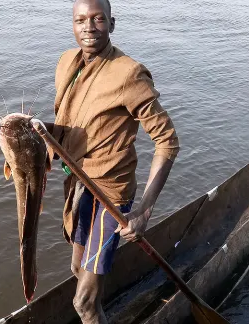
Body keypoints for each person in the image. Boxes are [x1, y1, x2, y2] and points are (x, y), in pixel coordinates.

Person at [39, 0, 180, 323]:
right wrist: (32, 129)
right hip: (78, 183)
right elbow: (68, 126)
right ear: (72, 25)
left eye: (98, 19)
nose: (89, 27)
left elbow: (167, 141)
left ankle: (94, 310)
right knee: (77, 269)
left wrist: (144, 209)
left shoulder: (129, 74)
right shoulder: (66, 63)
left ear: (111, 24)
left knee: (83, 303)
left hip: (111, 195)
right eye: (80, 20)